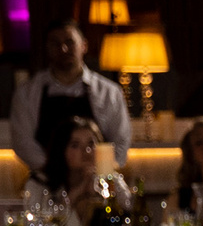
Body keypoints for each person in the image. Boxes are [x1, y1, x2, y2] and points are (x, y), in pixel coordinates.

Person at [8, 22, 129, 177]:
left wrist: (101, 173)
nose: (63, 49)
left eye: (69, 42)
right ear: (47, 48)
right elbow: (22, 142)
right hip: (47, 184)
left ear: (84, 46)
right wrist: (53, 174)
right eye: (55, 43)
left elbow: (121, 142)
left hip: (97, 182)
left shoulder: (109, 92)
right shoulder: (27, 93)